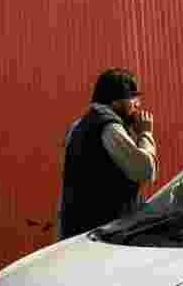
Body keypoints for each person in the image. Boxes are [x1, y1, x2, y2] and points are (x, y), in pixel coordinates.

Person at [56, 68, 158, 240]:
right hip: (105, 236)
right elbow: (145, 171)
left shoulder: (78, 125)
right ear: (116, 100)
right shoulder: (109, 126)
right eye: (133, 97)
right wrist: (145, 133)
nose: (138, 104)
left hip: (79, 233)